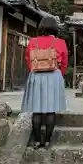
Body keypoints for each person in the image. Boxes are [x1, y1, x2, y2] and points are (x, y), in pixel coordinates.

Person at [21, 15, 68, 149]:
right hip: (54, 75)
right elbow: (64, 63)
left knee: (37, 110)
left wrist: (35, 70)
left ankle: (37, 141)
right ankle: (47, 141)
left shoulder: (33, 42)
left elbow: (28, 59)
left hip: (36, 75)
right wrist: (60, 75)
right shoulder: (60, 43)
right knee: (50, 110)